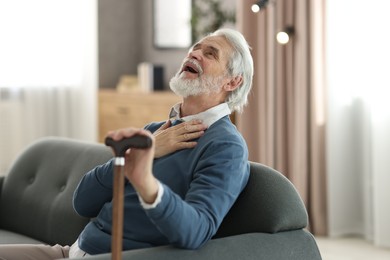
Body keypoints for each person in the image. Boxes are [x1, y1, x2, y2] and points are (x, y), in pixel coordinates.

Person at [0, 28, 254, 259]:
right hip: (70, 252)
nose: (195, 53)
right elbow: (82, 202)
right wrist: (142, 154)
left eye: (210, 53)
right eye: (195, 48)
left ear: (232, 82)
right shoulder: (154, 132)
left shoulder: (225, 147)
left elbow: (196, 231)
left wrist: (146, 182)